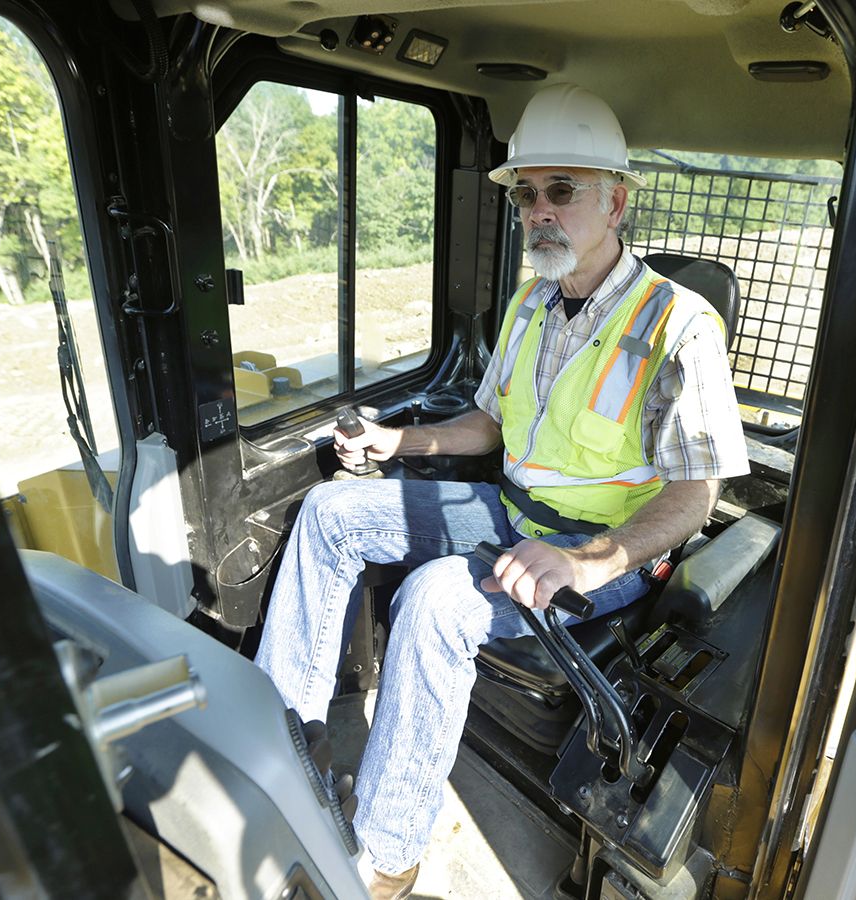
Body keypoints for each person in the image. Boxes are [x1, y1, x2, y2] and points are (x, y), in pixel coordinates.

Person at [254, 82, 749, 899]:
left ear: (617, 202)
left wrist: (584, 563)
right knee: (333, 511)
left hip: (603, 554)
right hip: (507, 512)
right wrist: (398, 441)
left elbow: (696, 498)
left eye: (563, 191)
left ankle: (384, 855)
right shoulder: (529, 305)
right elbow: (486, 428)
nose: (539, 211)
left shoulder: (679, 328)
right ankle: (280, 741)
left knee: (439, 598)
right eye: (527, 194)